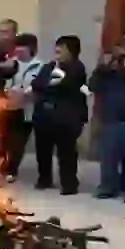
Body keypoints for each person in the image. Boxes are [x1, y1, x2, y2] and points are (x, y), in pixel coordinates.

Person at [30, 35, 88, 194]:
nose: (58, 51)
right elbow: (37, 84)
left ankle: (69, 184)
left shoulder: (77, 68)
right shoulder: (49, 66)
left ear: (71, 51)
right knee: (42, 150)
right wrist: (50, 83)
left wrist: (51, 82)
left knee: (66, 152)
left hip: (66, 117)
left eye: (62, 48)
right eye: (57, 47)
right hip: (44, 115)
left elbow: (65, 85)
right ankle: (44, 179)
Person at [89, 30, 125, 202]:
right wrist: (103, 68)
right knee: (108, 159)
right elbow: (92, 85)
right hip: (110, 120)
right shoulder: (107, 73)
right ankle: (108, 187)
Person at [1, 33, 43, 181]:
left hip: (27, 111)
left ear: (32, 49)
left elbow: (40, 87)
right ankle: (2, 167)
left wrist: (26, 93)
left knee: (18, 142)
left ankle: (12, 170)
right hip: (8, 108)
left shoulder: (40, 67)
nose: (19, 54)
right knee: (4, 140)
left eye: (23, 51)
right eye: (17, 50)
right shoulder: (10, 64)